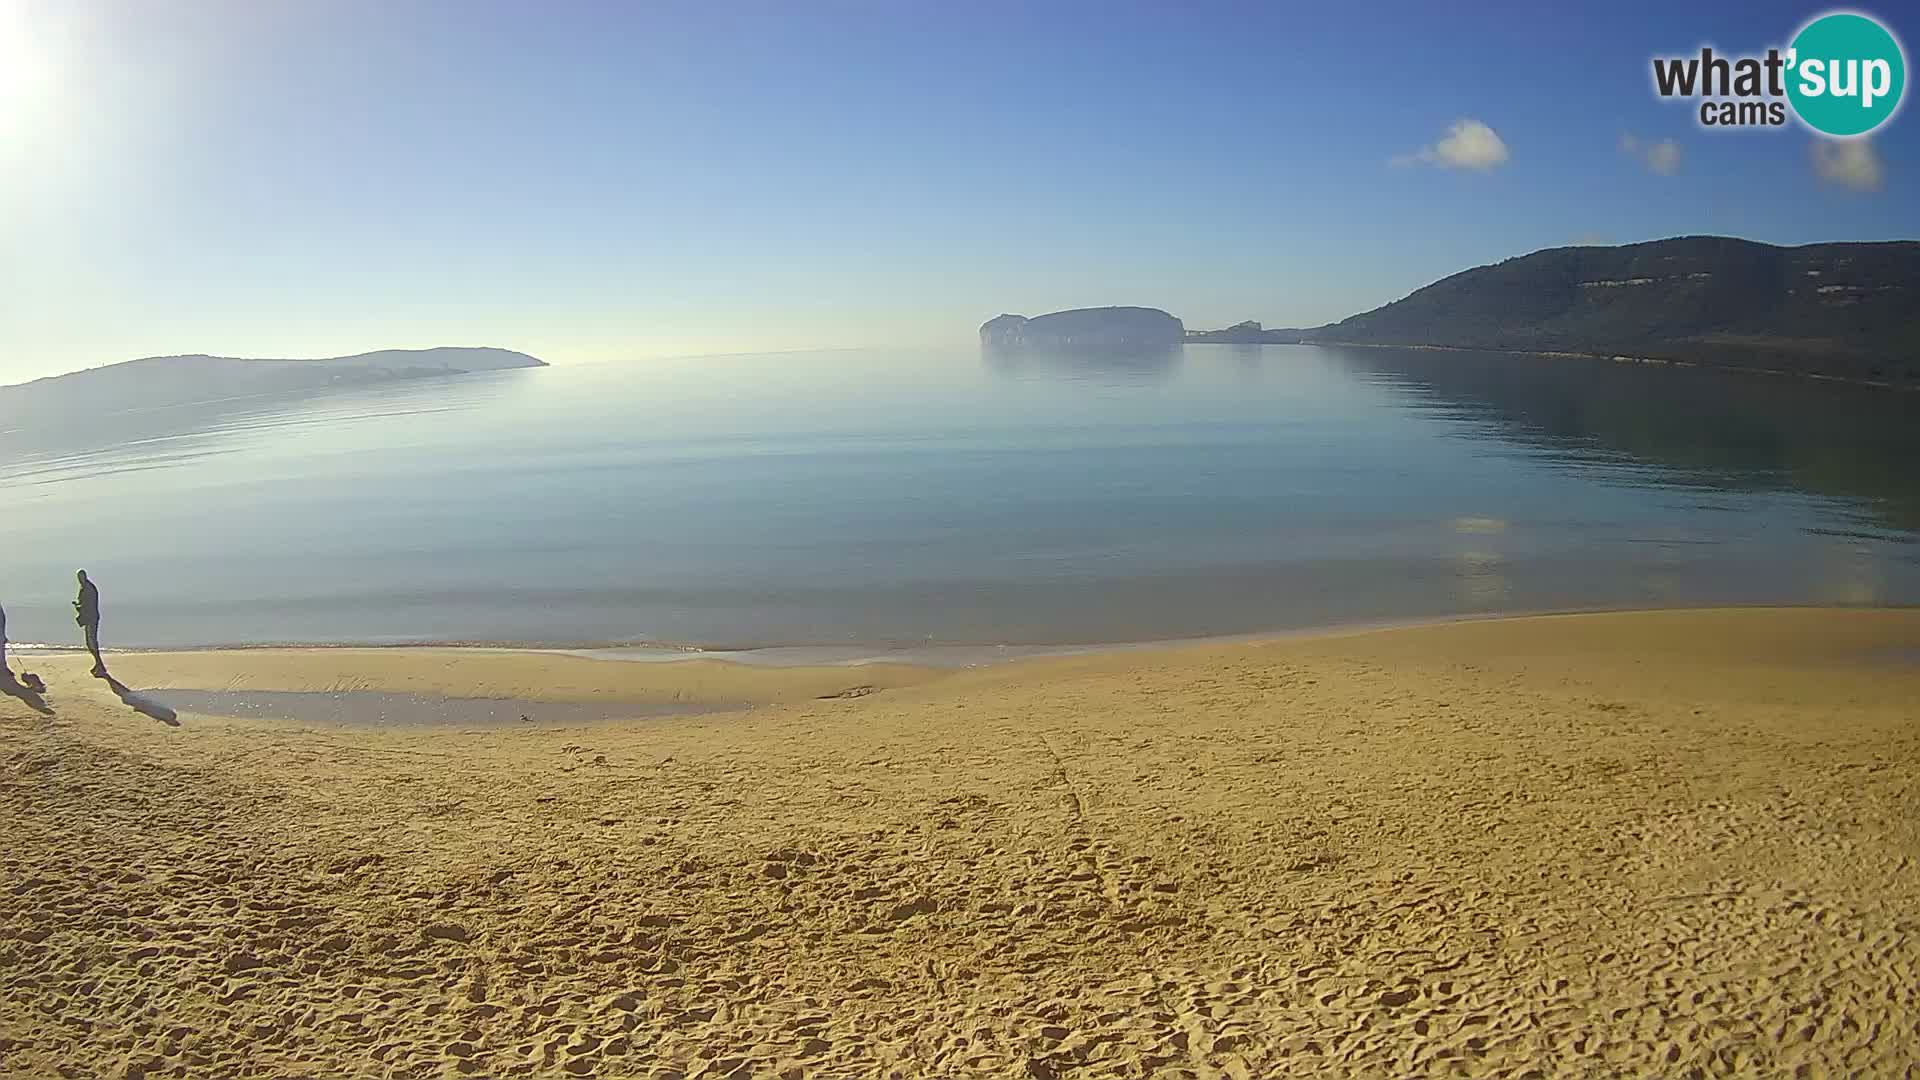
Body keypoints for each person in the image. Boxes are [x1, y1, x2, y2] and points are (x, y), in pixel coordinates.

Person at [75, 570, 105, 677]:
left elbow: (88, 605)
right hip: (90, 618)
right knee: (90, 642)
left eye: (81, 577)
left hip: (91, 618)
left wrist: (79, 607)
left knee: (91, 642)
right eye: (78, 578)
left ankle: (100, 665)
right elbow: (83, 603)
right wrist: (78, 605)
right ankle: (98, 664)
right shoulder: (85, 587)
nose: (79, 580)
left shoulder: (88, 588)